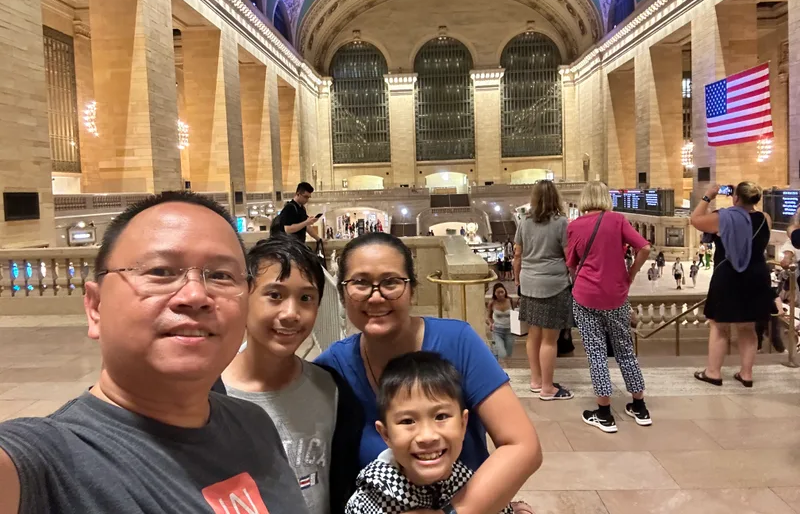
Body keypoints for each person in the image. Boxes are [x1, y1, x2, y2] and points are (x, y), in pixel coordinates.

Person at [0, 192, 309, 514]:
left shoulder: (254, 424)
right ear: (95, 307)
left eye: (220, 275)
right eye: (161, 271)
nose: (195, 295)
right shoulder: (47, 463)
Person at [315, 233, 542, 514]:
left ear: (411, 289)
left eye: (391, 282)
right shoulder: (330, 368)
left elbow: (523, 445)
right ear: (342, 292)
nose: (376, 296)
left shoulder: (458, 341)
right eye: (360, 283)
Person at [221, 235, 363, 514]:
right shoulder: (208, 393)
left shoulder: (330, 389)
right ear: (244, 298)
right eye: (275, 295)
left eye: (306, 298)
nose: (291, 313)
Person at [345, 352, 513, 514]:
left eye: (441, 416)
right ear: (386, 434)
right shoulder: (367, 502)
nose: (427, 436)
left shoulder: (476, 487)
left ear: (463, 424)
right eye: (408, 421)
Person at [567, 181, 652, 433]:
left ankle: (604, 413)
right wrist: (631, 273)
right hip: (616, 295)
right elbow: (644, 247)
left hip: (586, 296)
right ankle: (640, 406)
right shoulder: (617, 220)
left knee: (596, 353)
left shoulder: (575, 226)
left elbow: (571, 263)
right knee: (625, 349)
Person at [691, 183, 775, 388]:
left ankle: (713, 372)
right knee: (747, 327)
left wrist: (708, 196)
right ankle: (746, 374)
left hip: (729, 275)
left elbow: (695, 220)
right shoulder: (765, 218)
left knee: (719, 326)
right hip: (756, 275)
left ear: (736, 198)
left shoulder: (723, 218)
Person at [513, 179, 574, 401]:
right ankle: (548, 388)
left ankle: (536, 380)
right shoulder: (561, 223)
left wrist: (518, 281)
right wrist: (574, 278)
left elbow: (517, 255)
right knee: (550, 340)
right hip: (554, 284)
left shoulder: (524, 222)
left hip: (529, 282)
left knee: (533, 334)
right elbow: (569, 257)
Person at [487, 283, 515, 366]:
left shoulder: (510, 300)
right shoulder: (492, 303)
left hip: (509, 330)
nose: (500, 294)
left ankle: (508, 366)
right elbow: (488, 317)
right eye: (498, 292)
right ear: (494, 293)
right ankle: (503, 367)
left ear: (505, 292)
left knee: (509, 352)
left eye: (502, 292)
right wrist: (490, 323)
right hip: (497, 330)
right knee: (502, 353)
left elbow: (514, 313)